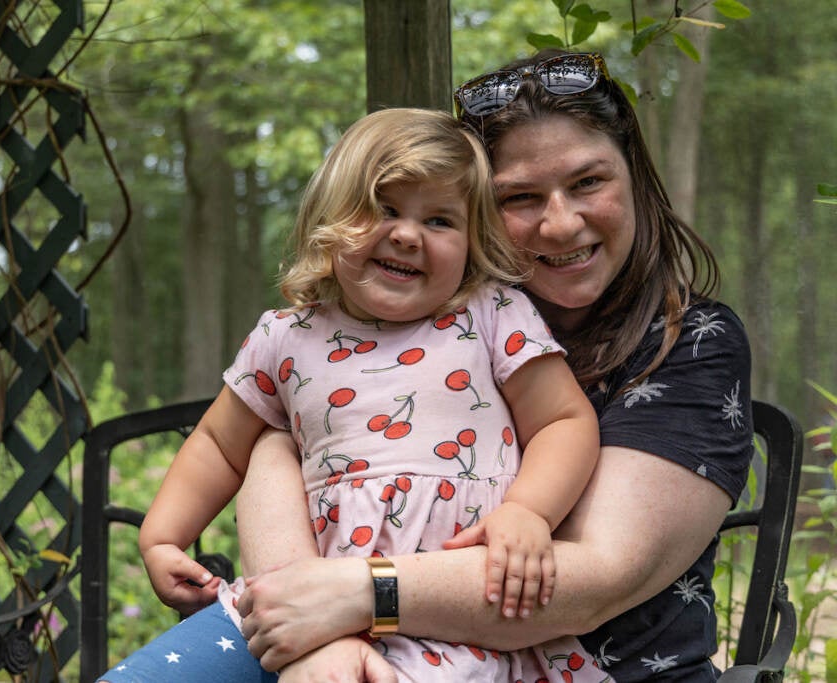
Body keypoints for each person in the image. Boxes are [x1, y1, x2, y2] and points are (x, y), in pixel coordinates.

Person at [229, 50, 754, 682]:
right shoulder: (428, 316)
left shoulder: (690, 341)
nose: (560, 224)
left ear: (636, 179)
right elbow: (273, 441)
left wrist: (355, 595)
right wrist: (308, 630)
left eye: (589, 182)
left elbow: (592, 581)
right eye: (520, 197)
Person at [99, 107, 609, 682]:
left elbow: (563, 421)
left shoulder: (490, 315)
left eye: (440, 221)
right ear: (331, 215)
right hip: (296, 613)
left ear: (473, 241)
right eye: (384, 209)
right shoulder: (285, 336)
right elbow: (219, 443)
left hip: (458, 621)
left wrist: (528, 510)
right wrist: (163, 535)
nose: (408, 234)